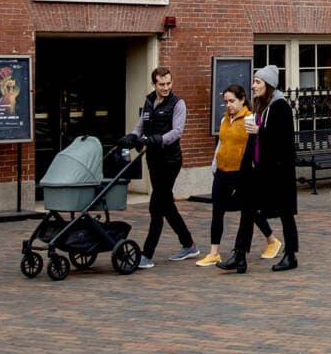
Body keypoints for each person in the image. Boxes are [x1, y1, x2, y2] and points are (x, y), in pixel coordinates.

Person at [120, 66, 199, 268]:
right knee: (166, 204)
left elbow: (177, 131)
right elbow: (141, 125)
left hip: (170, 160)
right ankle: (188, 244)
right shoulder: (149, 102)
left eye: (168, 83)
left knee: (156, 206)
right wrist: (132, 136)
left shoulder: (178, 103)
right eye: (161, 84)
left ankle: (147, 254)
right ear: (154, 84)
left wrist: (158, 139)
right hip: (153, 160)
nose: (166, 87)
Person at [221, 66, 298, 272]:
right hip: (259, 169)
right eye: (253, 82)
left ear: (269, 85)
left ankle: (290, 254)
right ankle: (239, 254)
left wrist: (260, 130)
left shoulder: (280, 106)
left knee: (285, 212)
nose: (253, 86)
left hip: (278, 170)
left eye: (258, 82)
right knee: (247, 208)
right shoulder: (259, 107)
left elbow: (283, 139)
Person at [195, 83, 271, 266]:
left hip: (241, 172)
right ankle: (214, 252)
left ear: (242, 100)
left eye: (232, 101)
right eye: (226, 102)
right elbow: (221, 144)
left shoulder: (249, 118)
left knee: (248, 210)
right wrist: (215, 165)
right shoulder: (224, 120)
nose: (228, 105)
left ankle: (270, 239)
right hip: (222, 170)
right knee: (217, 210)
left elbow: (255, 146)